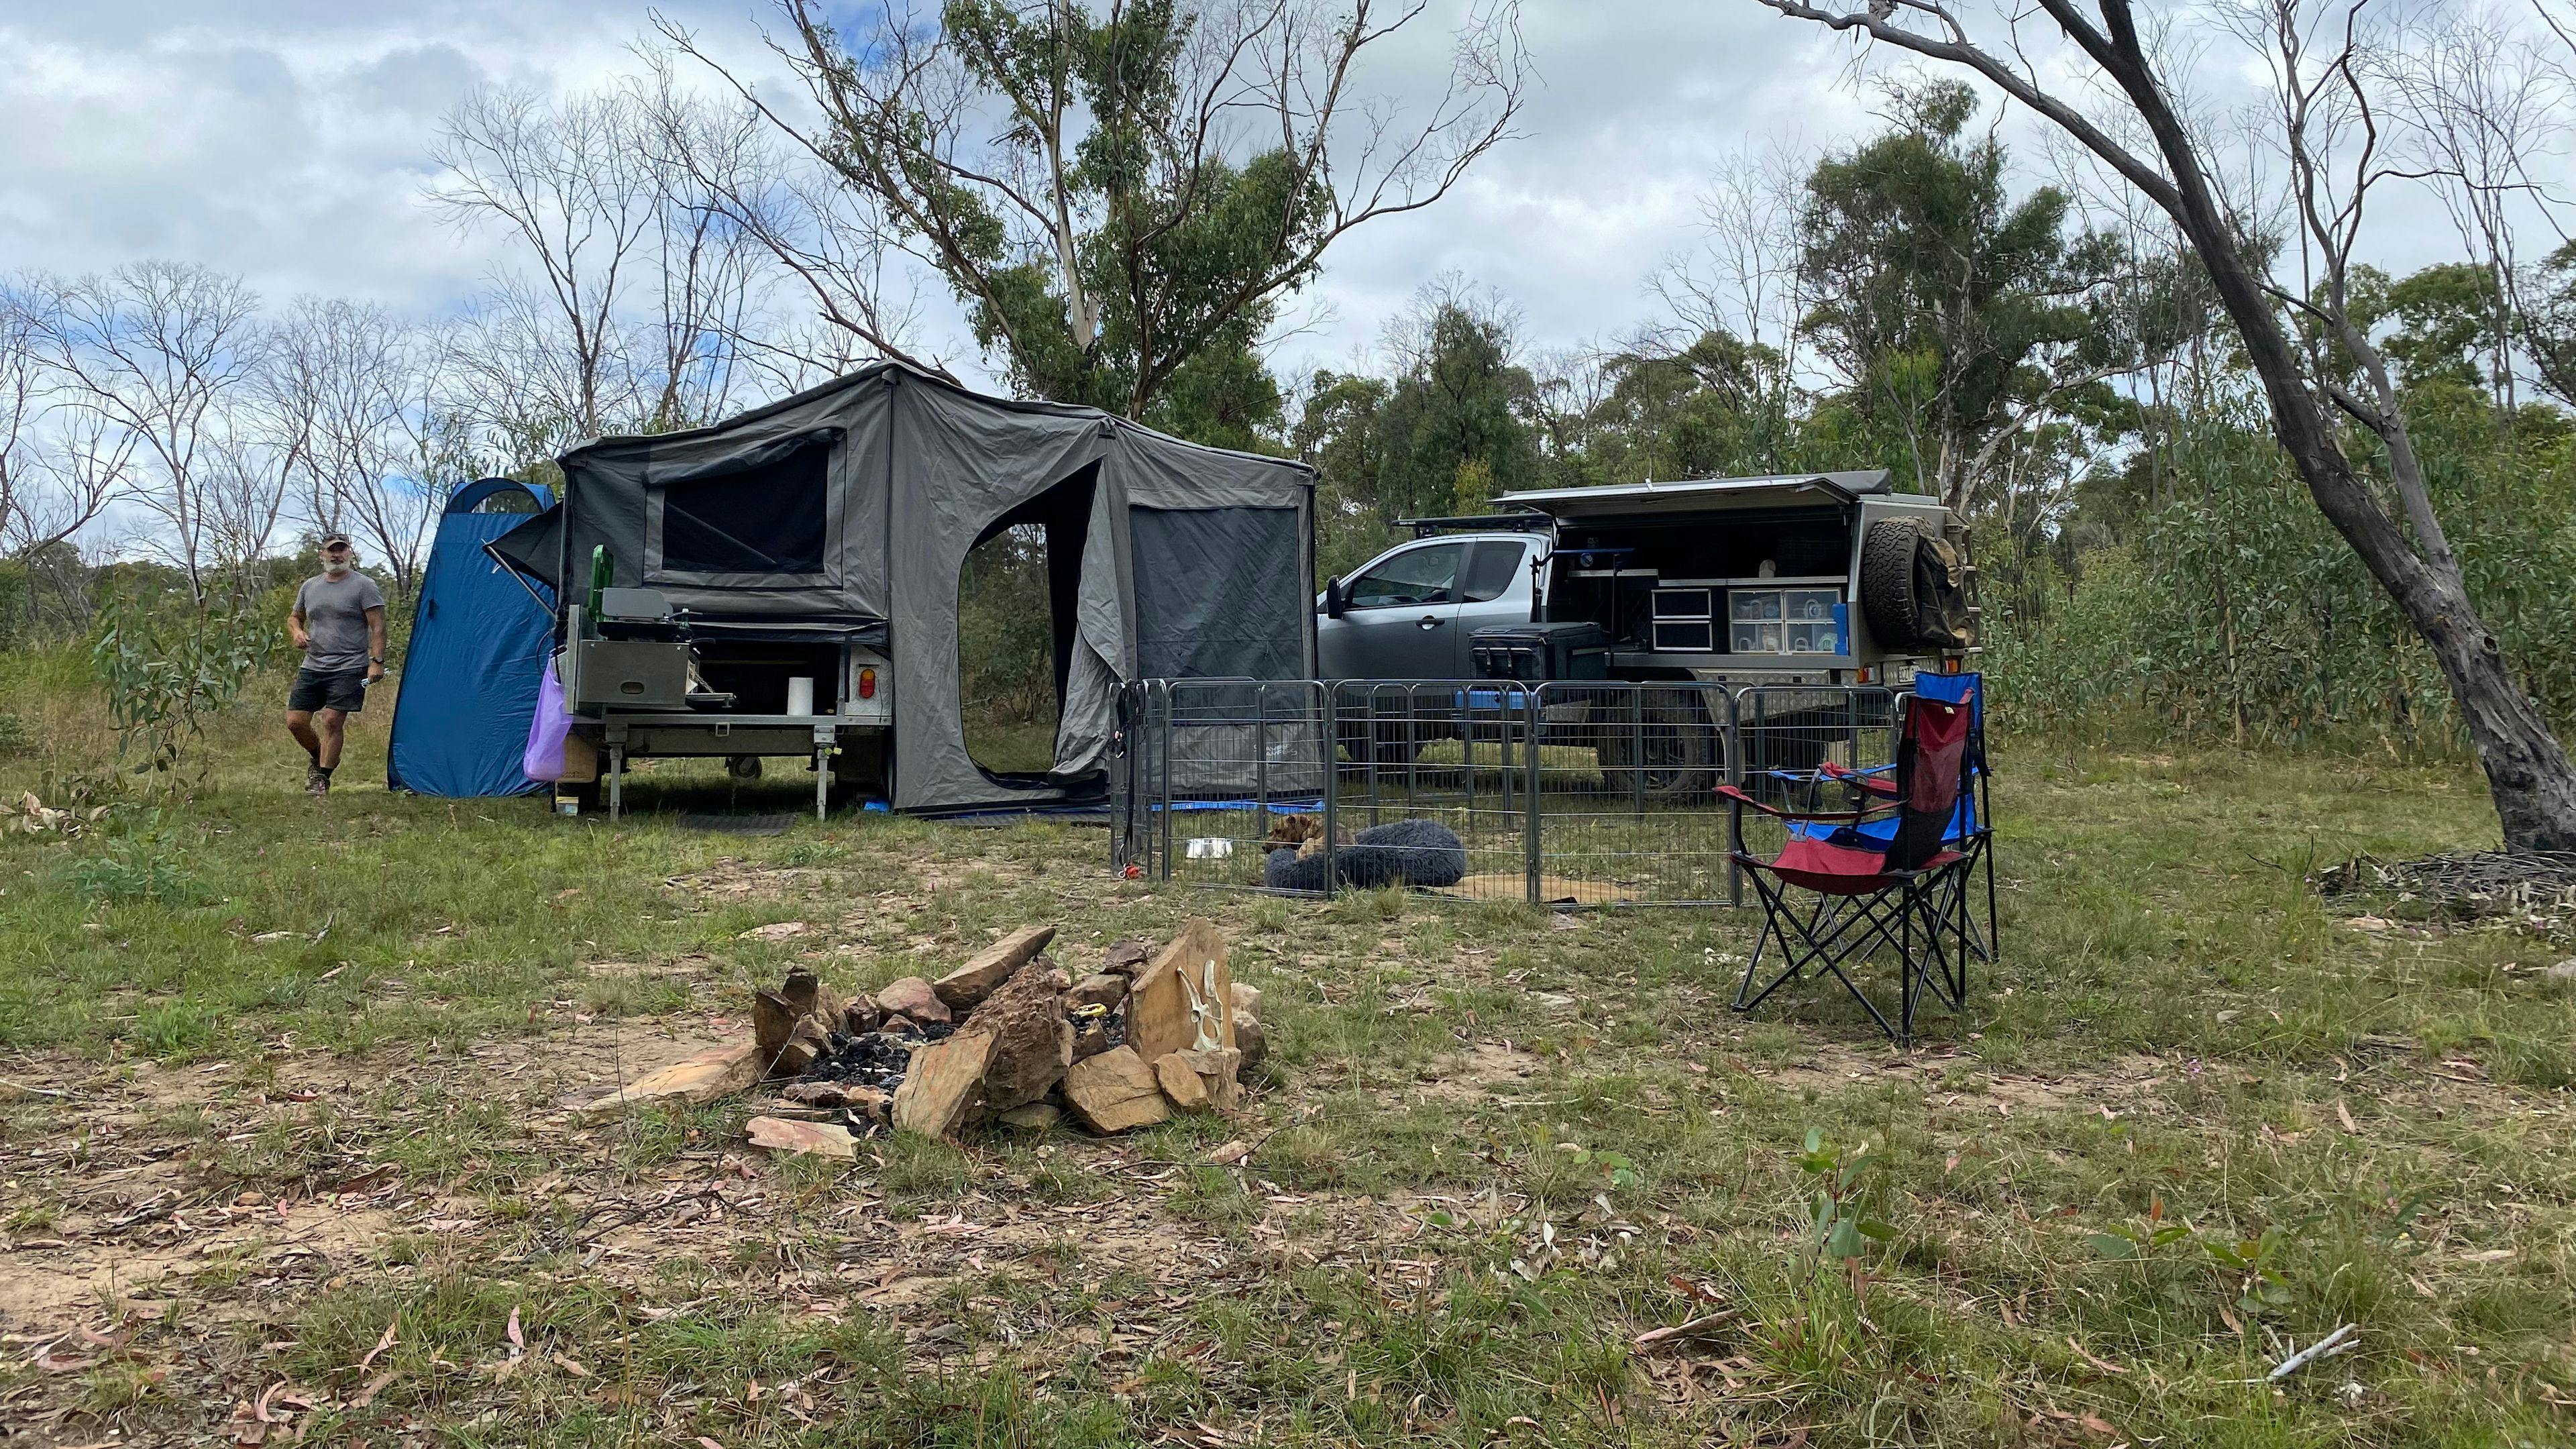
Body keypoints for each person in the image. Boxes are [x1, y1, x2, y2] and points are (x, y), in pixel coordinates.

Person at [284, 534, 387, 796]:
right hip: (314, 664)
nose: (336, 555)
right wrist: (296, 632)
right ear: (322, 554)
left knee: (332, 720)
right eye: (331, 551)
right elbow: (295, 617)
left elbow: (378, 627)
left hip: (350, 665)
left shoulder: (364, 586)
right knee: (295, 722)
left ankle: (322, 778)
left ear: (349, 553)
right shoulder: (310, 586)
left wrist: (376, 662)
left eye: (341, 550)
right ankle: (318, 756)